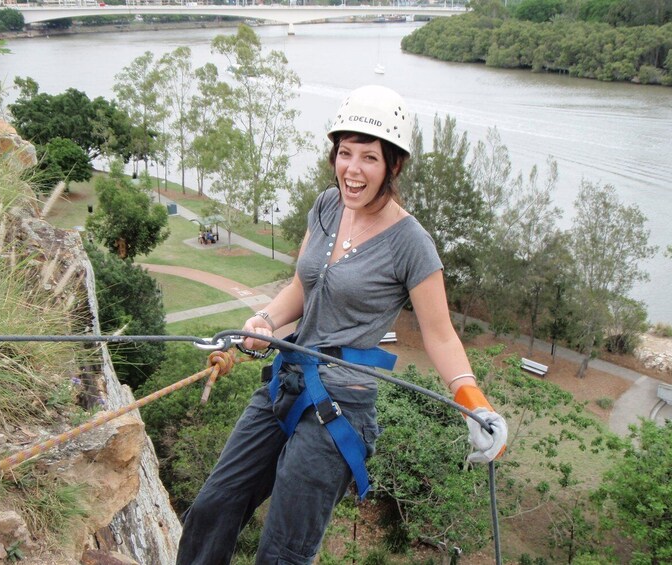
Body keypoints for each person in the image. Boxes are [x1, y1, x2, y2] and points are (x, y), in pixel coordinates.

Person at [176, 85, 508, 565]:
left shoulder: (411, 244)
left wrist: (473, 403)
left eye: (369, 157)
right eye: (345, 153)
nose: (352, 169)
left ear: (393, 165)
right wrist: (266, 320)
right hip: (286, 382)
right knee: (213, 507)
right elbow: (302, 285)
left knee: (283, 552)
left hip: (340, 407)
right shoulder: (327, 206)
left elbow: (440, 335)